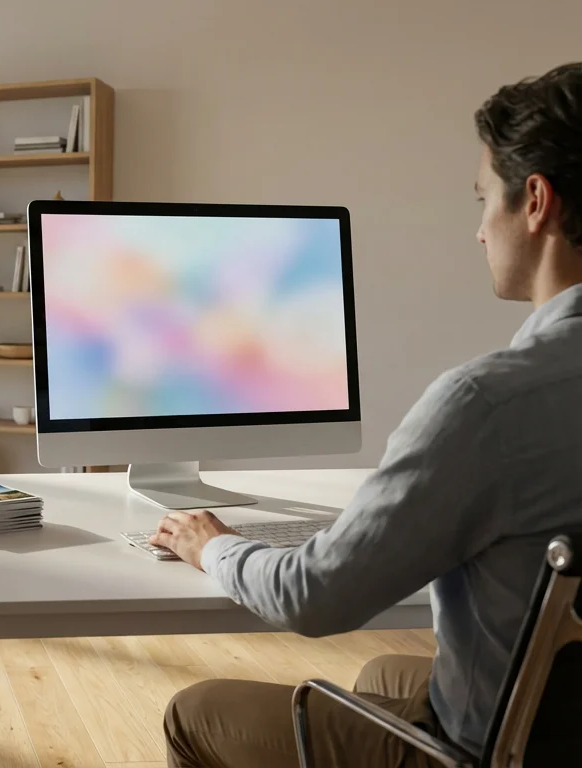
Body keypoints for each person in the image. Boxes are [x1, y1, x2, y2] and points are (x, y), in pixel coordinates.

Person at [151, 61, 582, 768]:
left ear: (535, 202)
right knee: (381, 675)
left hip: (496, 752)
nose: (479, 232)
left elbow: (315, 597)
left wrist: (212, 545)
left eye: (483, 202)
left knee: (194, 714)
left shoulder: (486, 406)